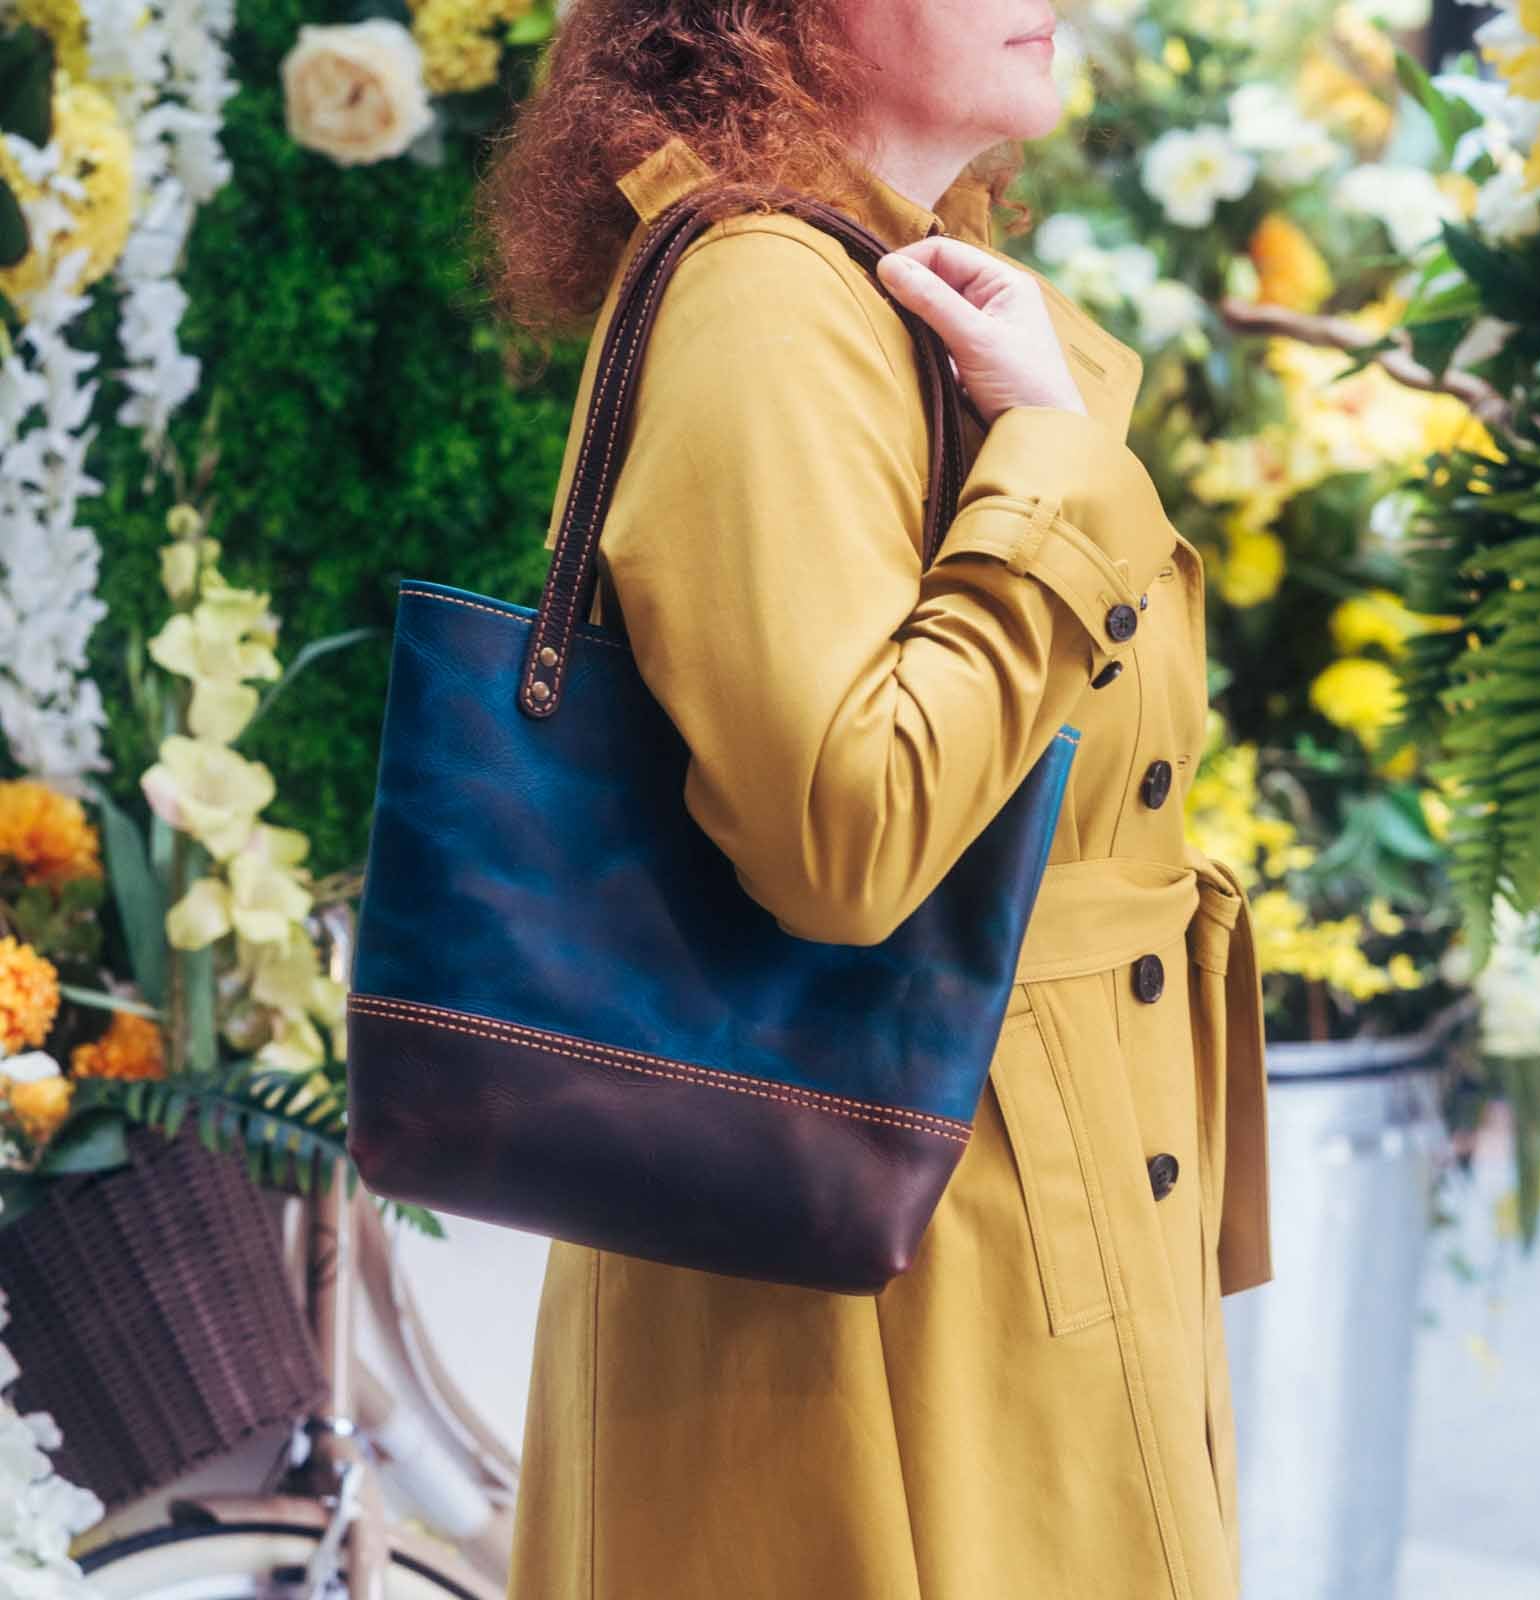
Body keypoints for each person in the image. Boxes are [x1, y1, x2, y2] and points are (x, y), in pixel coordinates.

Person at [475, 3, 1274, 1595]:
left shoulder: (882, 286)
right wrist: (1047, 454)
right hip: (889, 1279)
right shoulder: (769, 301)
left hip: (974, 1231)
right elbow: (847, 836)